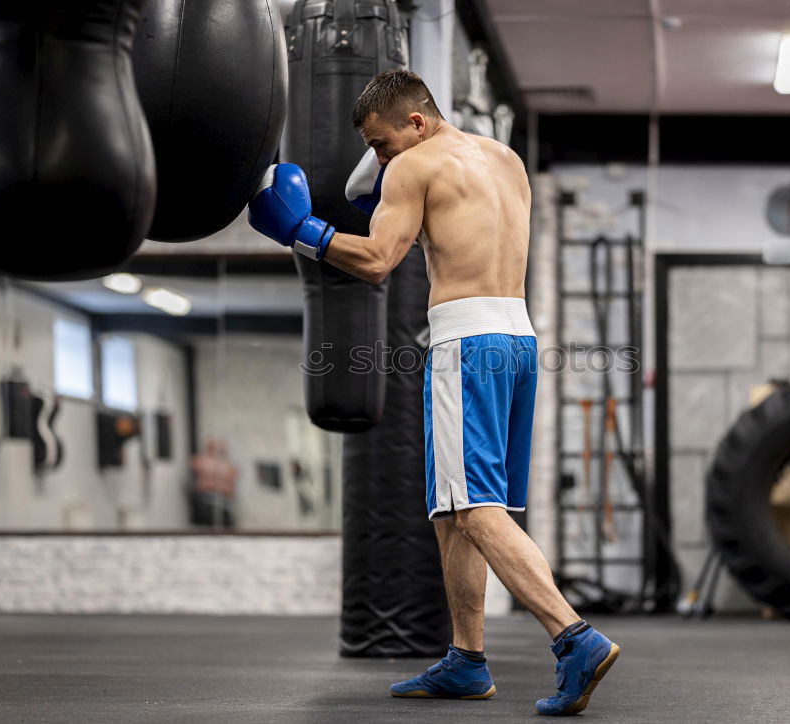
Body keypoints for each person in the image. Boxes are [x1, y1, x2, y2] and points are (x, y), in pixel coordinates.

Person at [248, 69, 619, 716]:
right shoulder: (504, 160)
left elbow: (376, 263)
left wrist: (301, 231)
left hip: (466, 345)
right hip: (517, 340)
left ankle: (573, 636)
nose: (380, 158)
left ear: (416, 123)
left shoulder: (413, 168)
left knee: (474, 508)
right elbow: (445, 230)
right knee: (454, 513)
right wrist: (381, 188)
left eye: (382, 143)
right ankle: (467, 660)